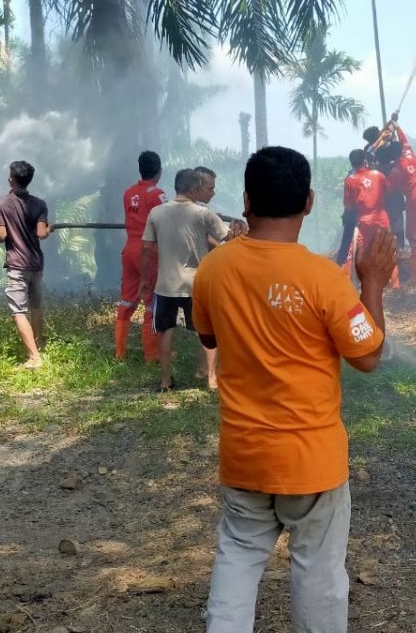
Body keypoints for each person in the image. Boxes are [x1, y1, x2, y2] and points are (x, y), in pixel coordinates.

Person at [192, 146, 396, 633]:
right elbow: (367, 357)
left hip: (244, 454)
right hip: (312, 461)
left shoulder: (214, 269)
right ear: (308, 201)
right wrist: (372, 283)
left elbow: (208, 336)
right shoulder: (323, 277)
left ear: (245, 200)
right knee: (319, 573)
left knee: (238, 558)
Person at [141, 169, 230, 391]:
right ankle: (211, 378)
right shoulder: (203, 214)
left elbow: (146, 248)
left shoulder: (156, 212)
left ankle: (164, 380)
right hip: (196, 283)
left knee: (165, 330)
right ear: (193, 189)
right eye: (202, 187)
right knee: (205, 331)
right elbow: (227, 237)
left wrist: (145, 278)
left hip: (166, 283)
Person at [0, 160, 50, 370]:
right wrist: (48, 230)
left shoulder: (0, 204)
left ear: (11, 180)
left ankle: (34, 358)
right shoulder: (40, 204)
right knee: (36, 306)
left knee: (18, 311)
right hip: (36, 264)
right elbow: (41, 233)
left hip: (17, 266)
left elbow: (2, 235)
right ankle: (38, 346)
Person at [116, 151, 167, 362]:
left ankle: (120, 351)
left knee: (127, 299)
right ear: (159, 171)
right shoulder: (157, 194)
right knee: (152, 300)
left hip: (130, 249)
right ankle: (152, 353)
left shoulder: (129, 193)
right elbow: (166, 222)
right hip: (149, 251)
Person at [381, 134, 416, 284]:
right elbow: (404, 141)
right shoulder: (410, 155)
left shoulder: (397, 170)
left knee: (414, 238)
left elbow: (388, 188)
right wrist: (396, 127)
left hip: (415, 204)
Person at [341, 150, 392, 284]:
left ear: (351, 163)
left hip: (363, 222)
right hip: (382, 218)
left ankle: (345, 282)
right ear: (365, 161)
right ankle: (394, 284)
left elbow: (348, 207)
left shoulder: (350, 180)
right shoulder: (378, 175)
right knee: (386, 250)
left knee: (353, 251)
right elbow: (389, 192)